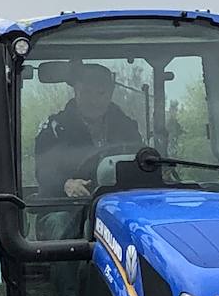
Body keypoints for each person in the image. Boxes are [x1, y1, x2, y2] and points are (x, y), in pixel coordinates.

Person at [34, 63, 144, 200]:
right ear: (76, 91)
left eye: (100, 93)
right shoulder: (56, 129)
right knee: (60, 220)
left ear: (110, 93)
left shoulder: (127, 128)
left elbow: (141, 161)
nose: (93, 101)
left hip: (117, 201)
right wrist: (66, 184)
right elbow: (44, 171)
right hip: (66, 204)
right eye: (86, 92)